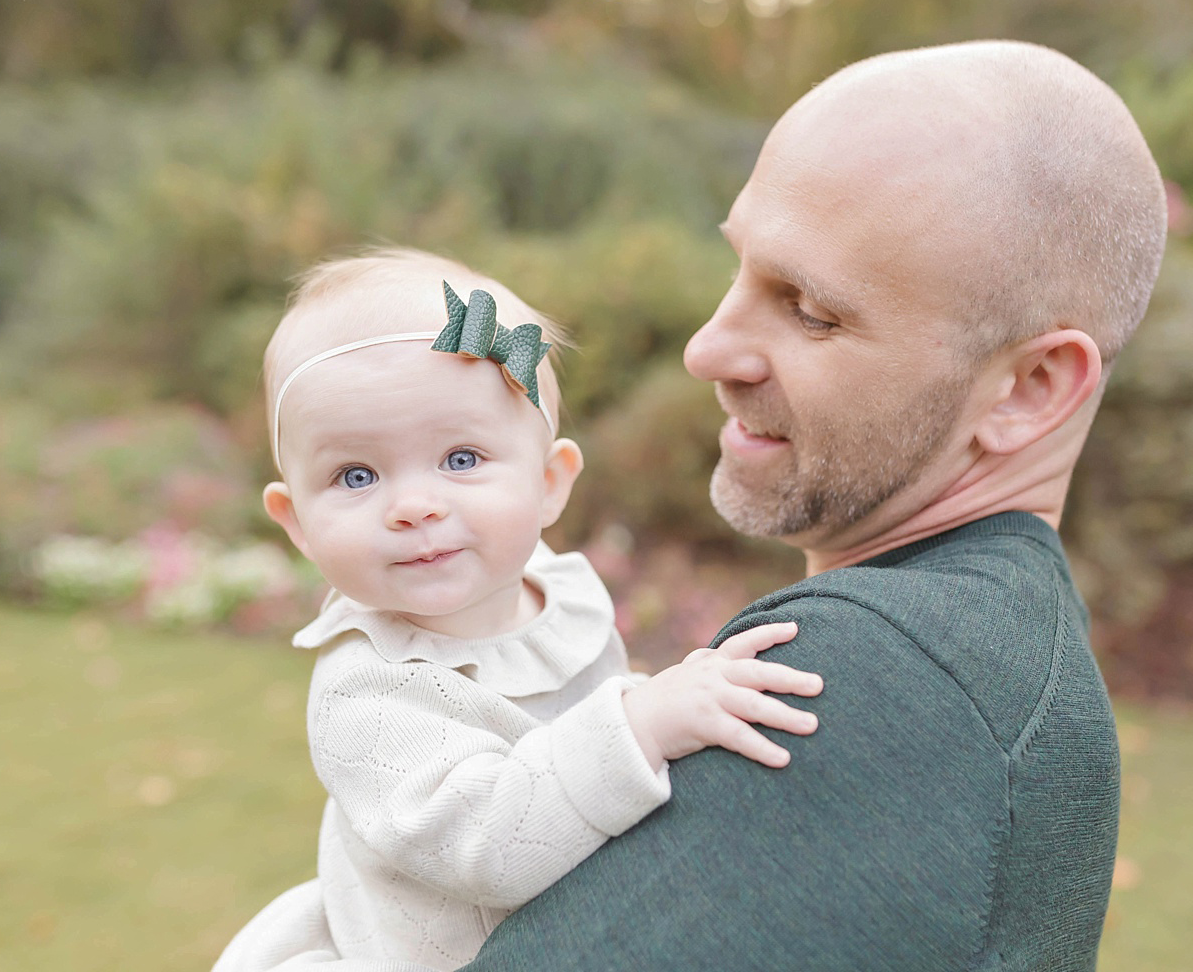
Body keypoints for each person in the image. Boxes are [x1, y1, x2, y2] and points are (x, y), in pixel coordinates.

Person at [217, 36, 1166, 971]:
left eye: (810, 310)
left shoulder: (878, 684)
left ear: (1030, 386)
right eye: (739, 268)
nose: (706, 348)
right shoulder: (999, 646)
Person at [211, 249, 823, 972]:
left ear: (550, 482)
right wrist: (642, 724)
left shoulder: (560, 593)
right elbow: (490, 841)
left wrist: (665, 703)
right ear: (297, 524)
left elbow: (582, 709)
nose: (414, 506)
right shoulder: (367, 695)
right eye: (356, 475)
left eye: (461, 459)